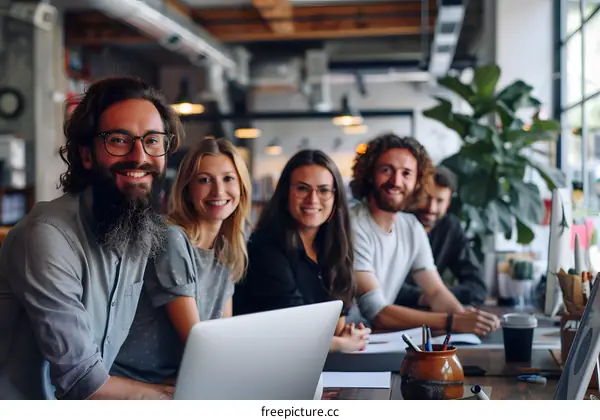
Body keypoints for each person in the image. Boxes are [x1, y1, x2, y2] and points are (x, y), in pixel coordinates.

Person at [0, 76, 183, 399]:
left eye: (152, 140)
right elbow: (83, 381)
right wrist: (178, 399)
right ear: (86, 155)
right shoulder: (46, 236)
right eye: (118, 140)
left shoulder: (135, 227)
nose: (139, 156)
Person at [110, 137, 252, 384]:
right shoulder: (172, 238)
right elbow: (198, 340)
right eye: (205, 180)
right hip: (137, 383)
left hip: (182, 379)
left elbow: (223, 336)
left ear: (241, 186)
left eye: (228, 178)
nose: (218, 191)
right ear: (188, 188)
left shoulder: (227, 249)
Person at [348, 133, 499, 336]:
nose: (396, 181)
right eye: (386, 170)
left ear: (418, 182)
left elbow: (436, 292)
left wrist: (468, 320)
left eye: (406, 173)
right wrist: (454, 321)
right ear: (369, 175)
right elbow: (377, 312)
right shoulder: (353, 225)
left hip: (379, 339)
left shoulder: (411, 227)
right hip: (347, 345)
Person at [234, 149, 370, 352]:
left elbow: (336, 324)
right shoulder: (264, 246)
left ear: (335, 198)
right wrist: (342, 344)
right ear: (285, 194)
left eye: (323, 190)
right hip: (262, 363)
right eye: (302, 189)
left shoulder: (334, 247)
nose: (313, 199)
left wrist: (347, 335)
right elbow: (293, 329)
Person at [397, 165, 487, 308]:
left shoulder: (450, 227)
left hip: (434, 317)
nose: (431, 208)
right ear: (415, 194)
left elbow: (477, 287)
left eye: (439, 201)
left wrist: (439, 297)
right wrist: (433, 298)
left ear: (449, 202)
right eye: (426, 197)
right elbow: (386, 290)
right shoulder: (396, 224)